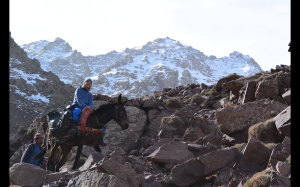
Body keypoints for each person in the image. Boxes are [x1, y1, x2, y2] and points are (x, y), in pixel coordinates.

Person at [69, 77, 107, 146]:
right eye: (87, 82)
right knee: (77, 111)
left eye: (90, 83)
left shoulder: (90, 94)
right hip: (78, 105)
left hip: (87, 108)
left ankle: (100, 137)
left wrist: (91, 108)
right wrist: (85, 106)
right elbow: (78, 100)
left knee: (98, 118)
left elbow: (91, 103)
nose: (88, 84)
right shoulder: (79, 90)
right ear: (84, 82)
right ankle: (73, 126)